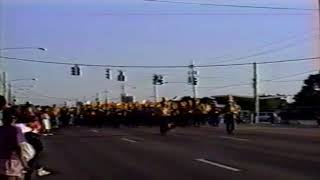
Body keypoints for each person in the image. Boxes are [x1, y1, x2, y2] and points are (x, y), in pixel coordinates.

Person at [0, 108, 27, 180]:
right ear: (14, 119)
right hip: (12, 161)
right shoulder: (16, 129)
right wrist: (24, 163)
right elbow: (19, 147)